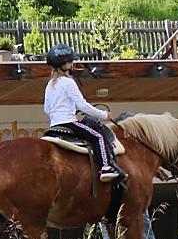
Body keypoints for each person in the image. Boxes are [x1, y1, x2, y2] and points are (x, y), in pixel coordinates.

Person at [43, 43, 126, 183]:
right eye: (71, 62)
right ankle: (106, 168)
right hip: (69, 123)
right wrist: (104, 115)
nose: (72, 64)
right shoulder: (68, 82)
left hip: (53, 126)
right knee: (98, 137)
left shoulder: (50, 84)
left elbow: (47, 108)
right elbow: (83, 105)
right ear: (65, 64)